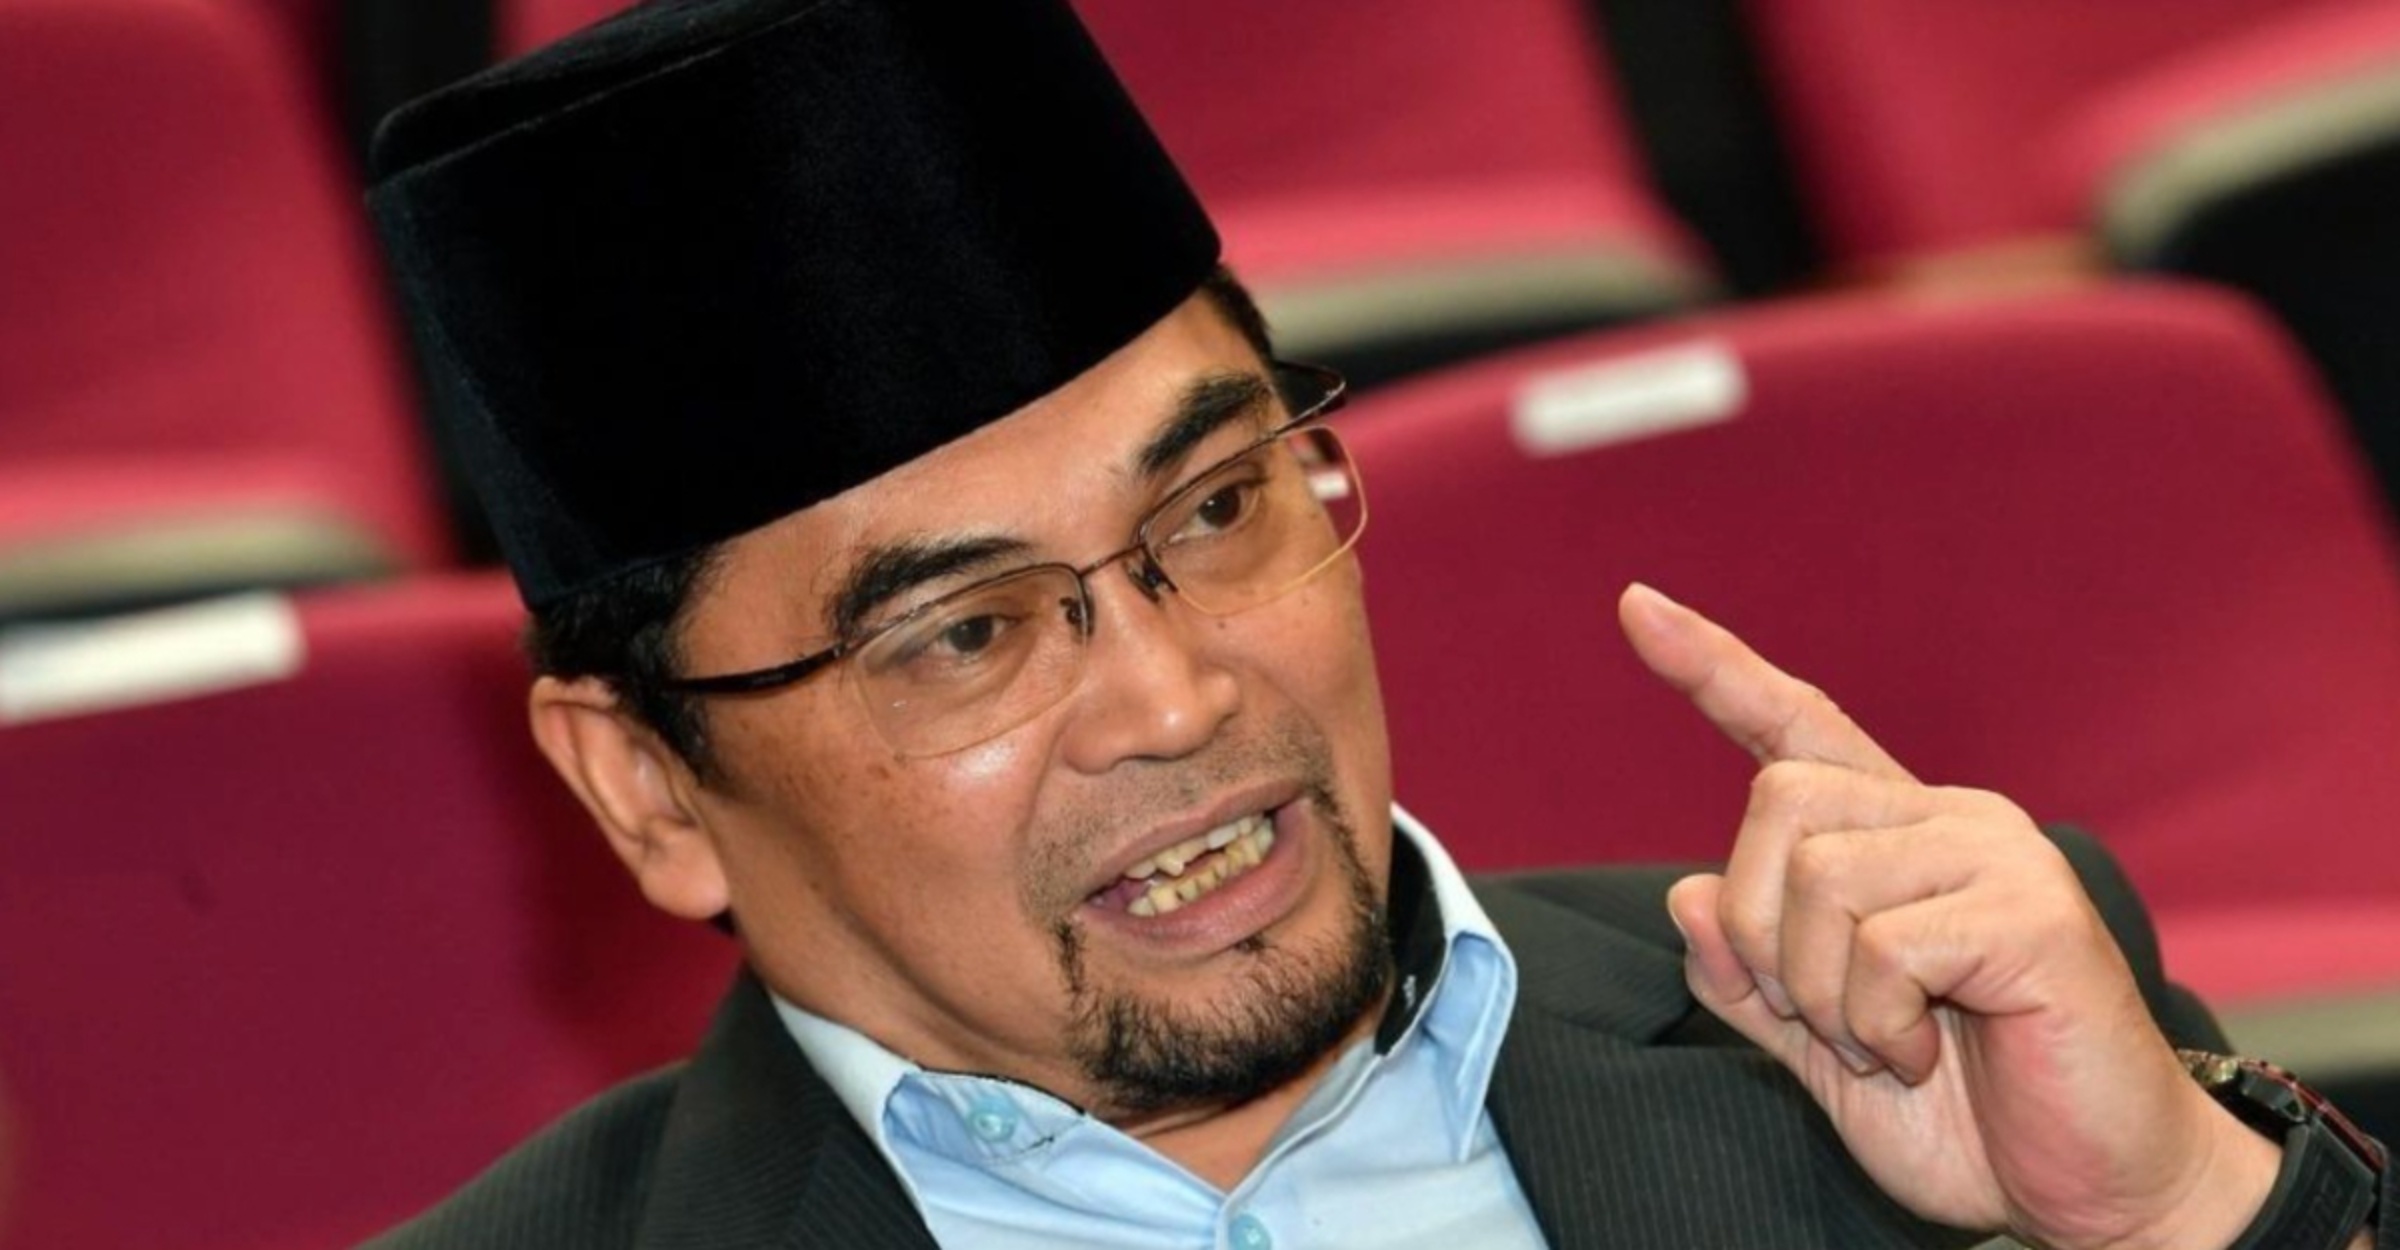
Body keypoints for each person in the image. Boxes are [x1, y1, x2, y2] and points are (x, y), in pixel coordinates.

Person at [362, 0, 2389, 1245]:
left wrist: (2189, 1217)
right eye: (966, 635)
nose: (1176, 696)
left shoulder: (1895, 1055)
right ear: (648, 784)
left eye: (1216, 509)